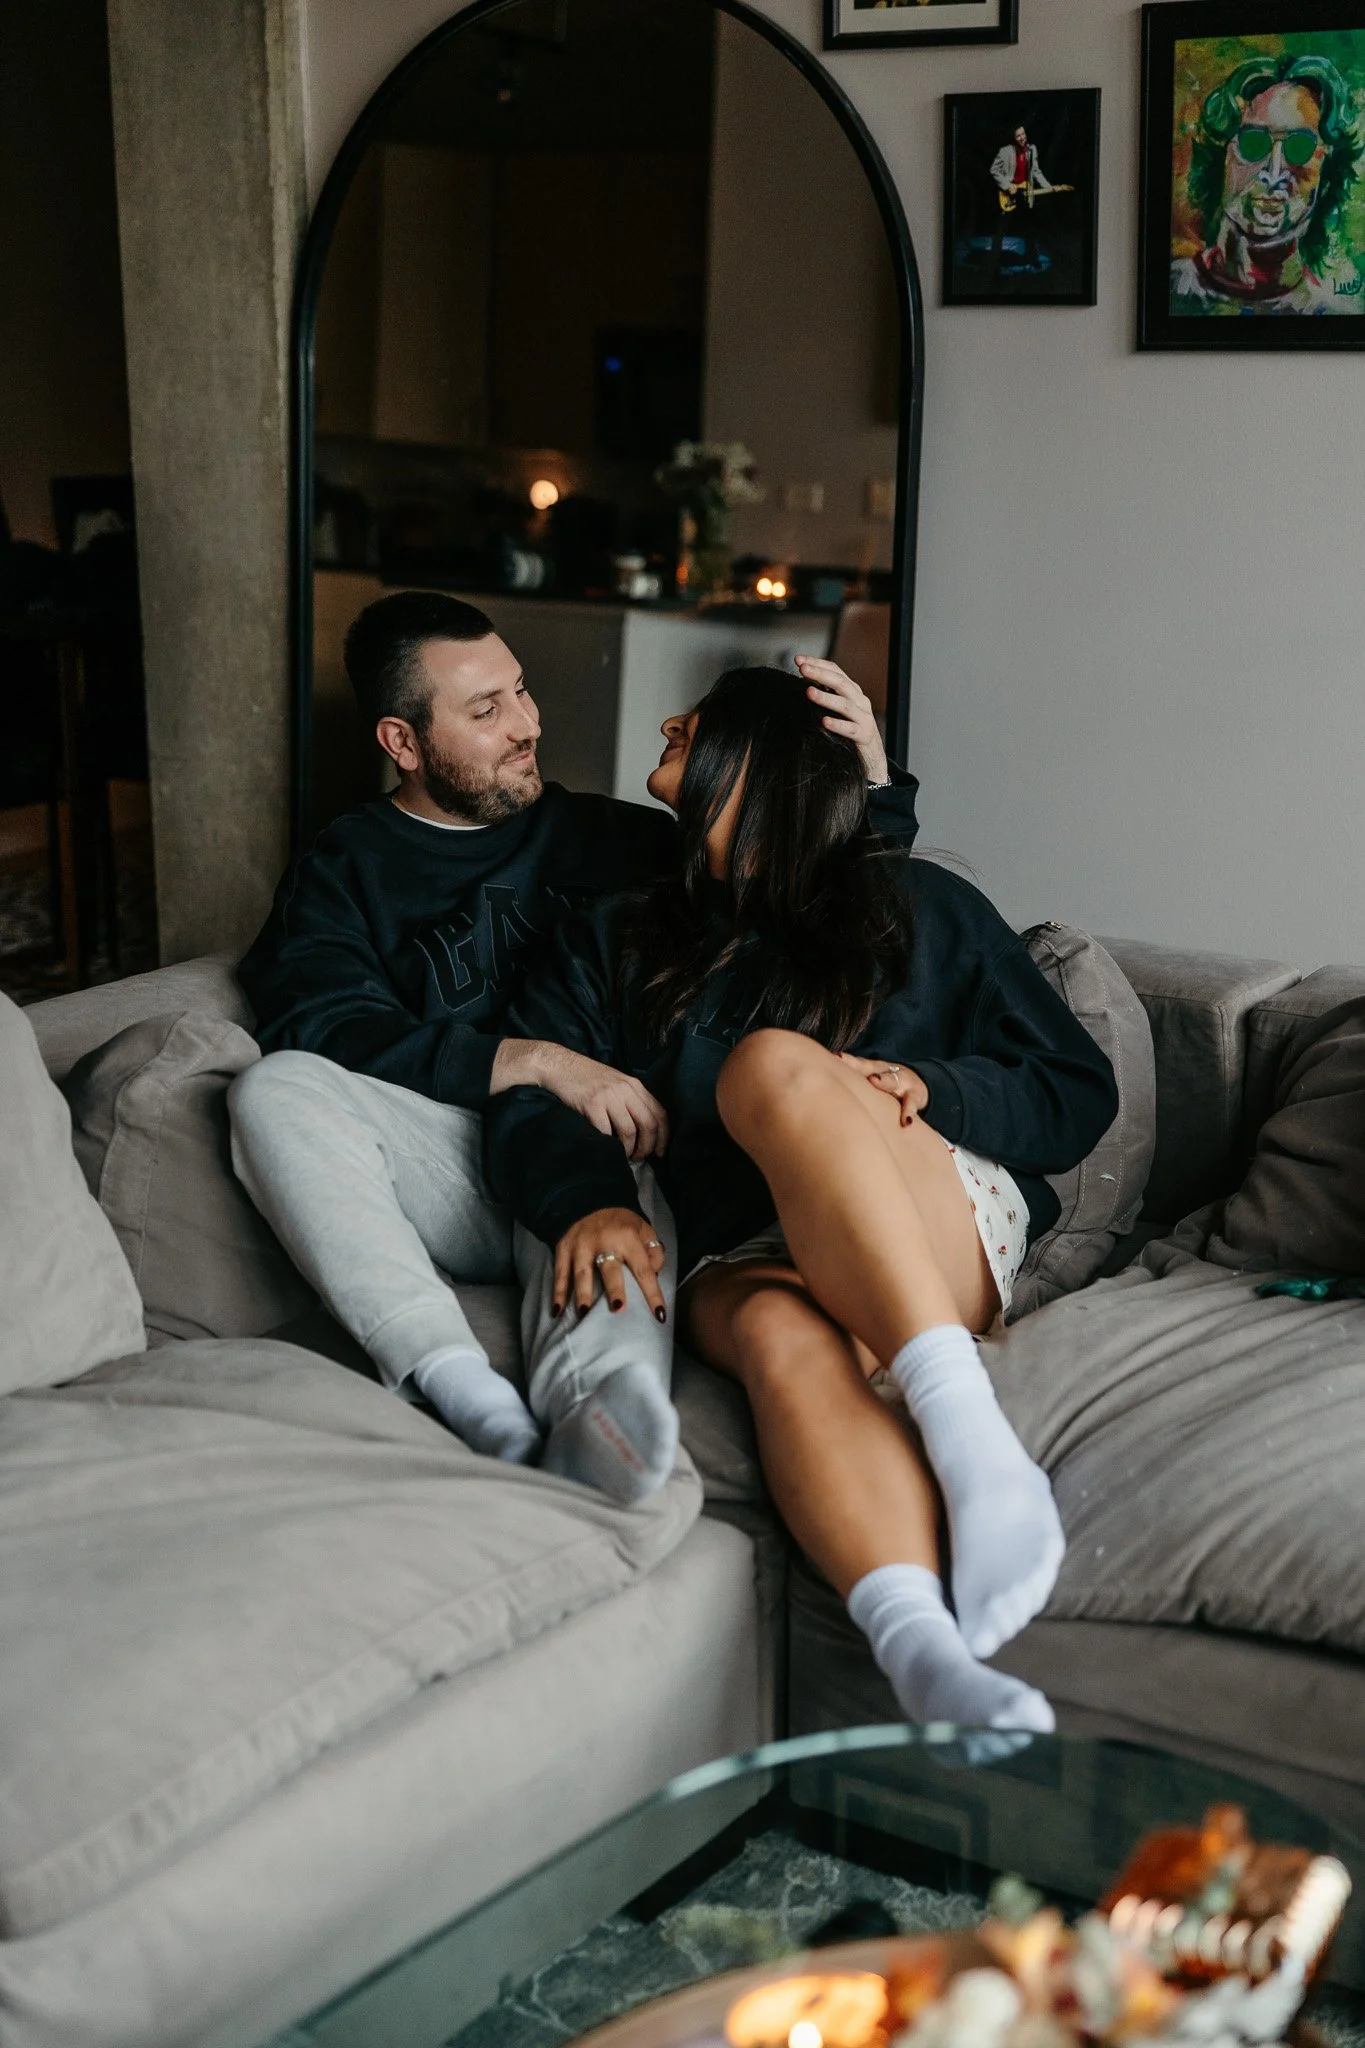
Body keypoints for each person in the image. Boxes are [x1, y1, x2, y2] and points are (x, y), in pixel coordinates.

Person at [484, 667, 1118, 1732]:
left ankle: (969, 1433)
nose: (669, 724)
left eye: (705, 723)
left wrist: (940, 1088)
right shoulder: (620, 930)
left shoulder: (919, 904)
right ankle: (922, 1651)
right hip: (746, 1248)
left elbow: (1074, 1091)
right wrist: (587, 1198)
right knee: (776, 1328)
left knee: (773, 1066)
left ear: (768, 761)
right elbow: (541, 1098)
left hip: (925, 1214)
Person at [229, 590, 919, 1498]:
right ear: (402, 743)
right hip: (451, 1166)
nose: (526, 726)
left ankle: (610, 1411)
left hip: (611, 1157)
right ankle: (454, 1382)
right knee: (272, 1089)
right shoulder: (345, 869)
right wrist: (531, 1061)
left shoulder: (608, 840)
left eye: (520, 691)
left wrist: (871, 781)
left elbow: (803, 882)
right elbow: (317, 1024)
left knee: (610, 1132)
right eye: (486, 711)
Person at [1171, 53, 1365, 316]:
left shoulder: (1333, 314)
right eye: (1253, 143)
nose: (1273, 174)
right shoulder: (1173, 290)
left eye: (1300, 147)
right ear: (1221, 160)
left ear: (1327, 174)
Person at [990, 123, 1053, 273]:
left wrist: (1047, 186)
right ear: (1013, 138)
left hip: (1025, 193)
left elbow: (1036, 171)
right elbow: (994, 170)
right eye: (1018, 135)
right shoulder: (1005, 152)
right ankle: (993, 259)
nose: (1022, 138)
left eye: (1023, 134)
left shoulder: (1032, 150)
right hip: (1009, 194)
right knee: (1002, 226)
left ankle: (1032, 256)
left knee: (1030, 227)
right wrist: (1007, 185)